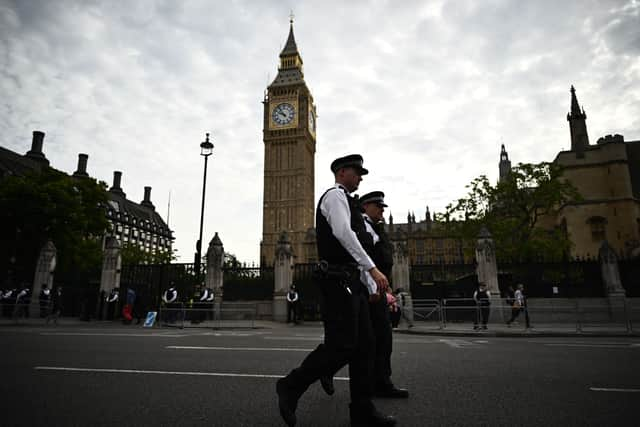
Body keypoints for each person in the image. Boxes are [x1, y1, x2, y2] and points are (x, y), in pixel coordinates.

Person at [276, 154, 396, 427]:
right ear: (343, 172)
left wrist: (369, 283)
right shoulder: (334, 196)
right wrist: (373, 271)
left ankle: (362, 411)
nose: (362, 177)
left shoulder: (350, 203)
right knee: (342, 345)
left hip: (352, 282)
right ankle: (291, 385)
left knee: (365, 347)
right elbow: (343, 234)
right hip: (337, 282)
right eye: (358, 172)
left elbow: (356, 250)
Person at [320, 191, 408, 399]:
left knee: (380, 339)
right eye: (378, 206)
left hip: (378, 289)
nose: (381, 211)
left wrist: (385, 290)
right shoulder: (357, 226)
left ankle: (380, 383)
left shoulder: (376, 228)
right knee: (356, 341)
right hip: (366, 289)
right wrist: (372, 287)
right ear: (366, 206)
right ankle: (327, 370)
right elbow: (359, 260)